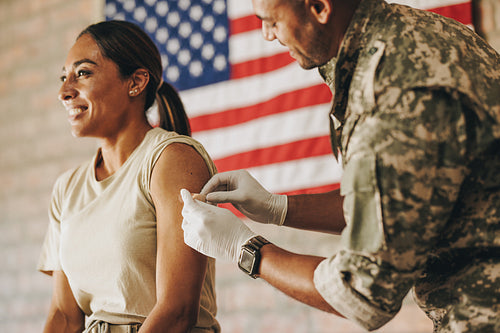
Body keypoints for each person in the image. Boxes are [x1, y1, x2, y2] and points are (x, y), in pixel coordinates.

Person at [180, 0, 500, 332]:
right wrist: (278, 208)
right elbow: (394, 203)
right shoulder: (419, 33)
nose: (267, 35)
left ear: (319, 7)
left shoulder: (394, 89)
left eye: (272, 21)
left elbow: (362, 293)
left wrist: (244, 248)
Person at [37, 20, 220, 333]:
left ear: (135, 82)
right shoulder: (67, 189)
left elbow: (178, 312)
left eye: (82, 73)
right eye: (64, 77)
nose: (64, 91)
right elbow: (65, 317)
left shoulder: (171, 160)